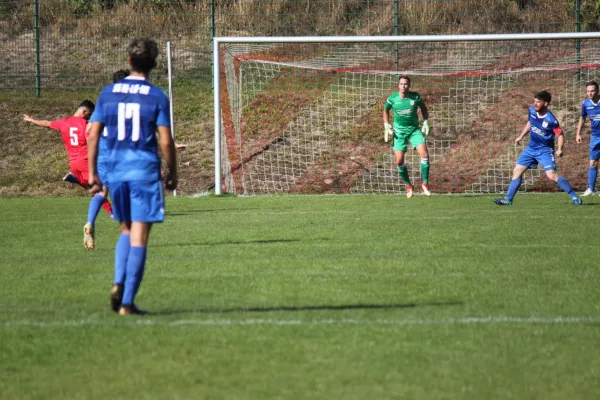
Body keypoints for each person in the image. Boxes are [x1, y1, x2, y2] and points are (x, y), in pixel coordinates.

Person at [88, 37, 177, 316]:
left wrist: (93, 173)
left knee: (125, 229)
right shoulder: (157, 95)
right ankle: (126, 302)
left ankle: (117, 281)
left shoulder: (108, 93)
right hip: (144, 171)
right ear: (153, 64)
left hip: (115, 172)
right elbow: (165, 141)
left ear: (129, 62)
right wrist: (173, 171)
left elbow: (92, 133)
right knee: (139, 234)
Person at [23, 102, 114, 249]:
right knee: (101, 190)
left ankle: (111, 213)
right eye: (89, 114)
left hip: (73, 163)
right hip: (86, 162)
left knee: (95, 191)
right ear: (84, 112)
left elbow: (46, 123)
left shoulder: (63, 122)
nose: (90, 117)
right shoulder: (85, 125)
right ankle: (97, 217)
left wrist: (32, 120)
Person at [494, 91, 582, 206]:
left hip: (545, 150)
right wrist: (521, 136)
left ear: (545, 103)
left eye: (538, 102)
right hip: (531, 149)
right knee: (517, 171)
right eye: (534, 101)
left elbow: (560, 134)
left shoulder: (551, 120)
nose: (535, 104)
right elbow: (530, 123)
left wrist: (560, 148)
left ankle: (575, 197)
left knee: (551, 175)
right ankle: (508, 199)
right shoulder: (531, 111)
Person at [383, 75, 431, 198]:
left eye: (406, 84)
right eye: (401, 84)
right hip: (399, 132)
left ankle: (425, 184)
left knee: (425, 155)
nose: (403, 86)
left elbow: (424, 109)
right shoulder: (392, 98)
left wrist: (425, 121)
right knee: (399, 161)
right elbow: (385, 110)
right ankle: (408, 185)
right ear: (398, 85)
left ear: (409, 86)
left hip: (414, 131)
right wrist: (386, 125)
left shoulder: (415, 97)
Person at [575, 81, 600, 196]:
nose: (590, 93)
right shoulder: (586, 104)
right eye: (588, 91)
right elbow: (582, 118)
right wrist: (578, 134)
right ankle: (591, 189)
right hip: (595, 136)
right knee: (593, 162)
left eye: (592, 91)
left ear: (598, 91)